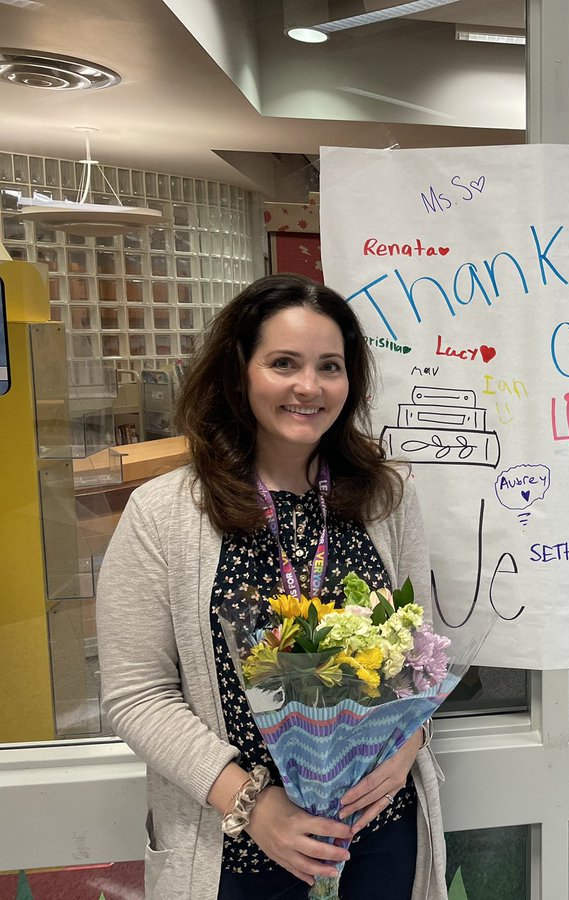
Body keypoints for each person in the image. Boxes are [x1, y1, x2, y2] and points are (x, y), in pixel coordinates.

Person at [97, 273, 447, 900]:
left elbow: (415, 657)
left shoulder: (385, 499)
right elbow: (137, 696)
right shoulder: (164, 514)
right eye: (283, 363)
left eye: (330, 367)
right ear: (240, 373)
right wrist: (255, 805)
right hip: (236, 850)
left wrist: (408, 746)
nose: (308, 387)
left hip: (379, 835)